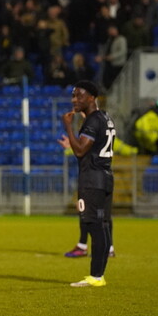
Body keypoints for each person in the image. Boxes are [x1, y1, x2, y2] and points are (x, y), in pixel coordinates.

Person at [57, 80, 115, 287]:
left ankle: (96, 277)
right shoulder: (105, 118)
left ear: (91, 97)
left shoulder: (92, 121)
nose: (74, 99)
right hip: (105, 177)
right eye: (73, 95)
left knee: (93, 225)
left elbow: (81, 151)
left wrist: (69, 128)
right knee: (102, 225)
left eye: (79, 95)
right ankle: (97, 275)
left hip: (92, 180)